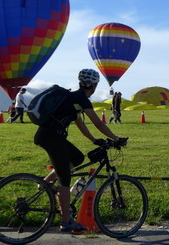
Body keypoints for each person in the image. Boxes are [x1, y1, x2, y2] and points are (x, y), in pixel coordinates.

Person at [36, 69, 124, 232]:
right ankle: (66, 221)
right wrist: (116, 138)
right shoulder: (81, 99)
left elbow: (81, 124)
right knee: (65, 178)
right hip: (51, 137)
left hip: (51, 136)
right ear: (95, 85)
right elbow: (98, 123)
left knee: (77, 158)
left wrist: (94, 140)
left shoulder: (73, 98)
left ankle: (45, 184)